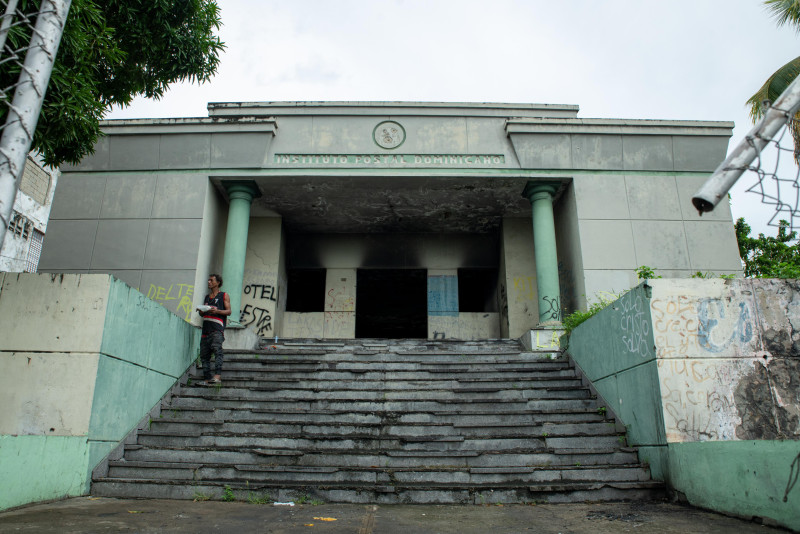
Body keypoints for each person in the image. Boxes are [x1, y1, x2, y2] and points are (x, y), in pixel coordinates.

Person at [197, 273, 231, 385]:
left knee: (217, 351)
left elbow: (229, 311)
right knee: (204, 355)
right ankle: (207, 378)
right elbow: (203, 314)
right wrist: (201, 311)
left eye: (211, 280)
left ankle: (217, 376)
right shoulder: (207, 297)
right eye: (208, 280)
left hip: (217, 329)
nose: (209, 282)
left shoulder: (224, 295)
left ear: (218, 282)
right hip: (205, 330)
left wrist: (216, 311)